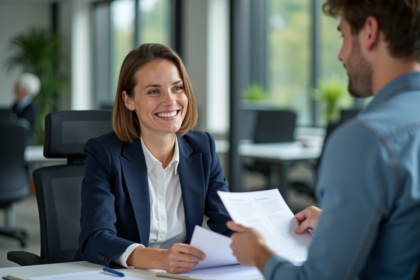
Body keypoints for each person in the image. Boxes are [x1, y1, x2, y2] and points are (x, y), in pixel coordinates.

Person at [228, 1, 420, 279]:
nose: (341, 55)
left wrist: (260, 255)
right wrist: (338, 224)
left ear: (370, 32)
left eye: (343, 35)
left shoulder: (363, 141)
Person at [74, 43, 232, 273]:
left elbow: (229, 225)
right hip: (116, 274)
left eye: (177, 88)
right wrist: (159, 259)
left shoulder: (203, 148)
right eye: (154, 91)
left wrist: (289, 228)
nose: (170, 100)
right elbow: (95, 238)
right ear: (129, 100)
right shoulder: (104, 154)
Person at [11, 73, 40, 144]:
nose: (14, 88)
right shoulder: (15, 104)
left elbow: (21, 124)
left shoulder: (32, 107)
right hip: (12, 140)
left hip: (24, 142)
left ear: (24, 90)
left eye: (17, 86)